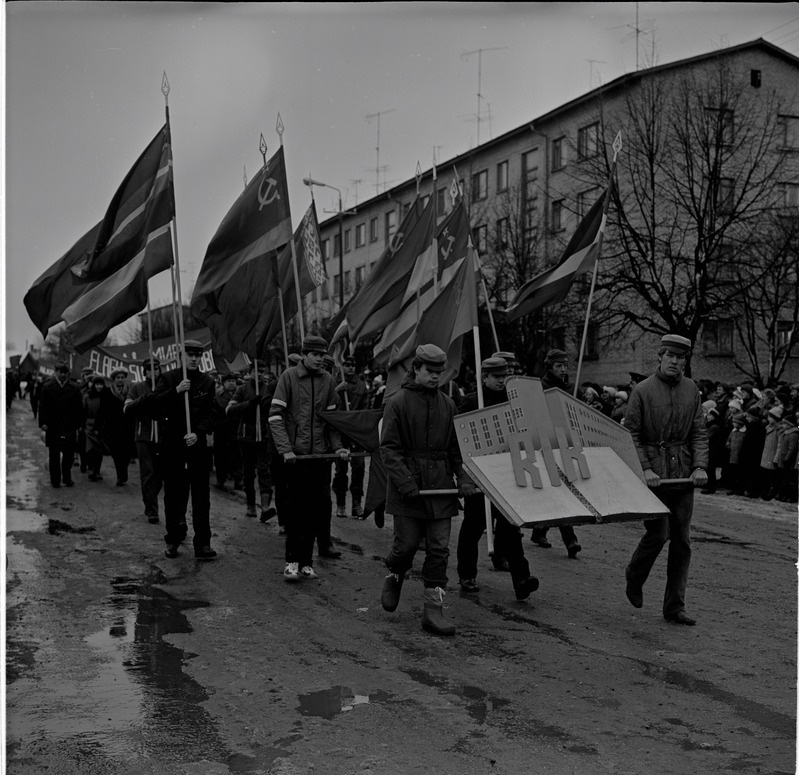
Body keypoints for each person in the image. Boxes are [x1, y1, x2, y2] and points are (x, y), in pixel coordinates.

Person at [379, 344, 477, 636]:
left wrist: (464, 478)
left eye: (439, 372)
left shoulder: (448, 404)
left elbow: (455, 450)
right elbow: (389, 449)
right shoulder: (397, 402)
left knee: (438, 549)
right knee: (407, 545)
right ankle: (395, 573)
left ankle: (433, 609)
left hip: (440, 488)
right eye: (430, 372)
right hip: (407, 487)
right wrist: (406, 483)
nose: (436, 377)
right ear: (416, 370)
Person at [624, 334, 708, 626]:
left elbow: (699, 432)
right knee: (659, 534)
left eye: (681, 357)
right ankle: (634, 575)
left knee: (682, 541)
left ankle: (675, 607)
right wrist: (645, 469)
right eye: (670, 356)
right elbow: (631, 434)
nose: (675, 361)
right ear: (660, 357)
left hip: (683, 475)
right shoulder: (643, 391)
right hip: (654, 476)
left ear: (686, 360)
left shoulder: (691, 390)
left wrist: (699, 466)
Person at [455, 357, 539, 600]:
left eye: (504, 376)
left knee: (511, 527)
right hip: (479, 475)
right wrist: (464, 475)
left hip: (507, 473)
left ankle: (521, 579)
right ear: (484, 377)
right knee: (473, 526)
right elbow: (459, 439)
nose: (502, 380)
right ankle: (467, 574)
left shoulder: (514, 402)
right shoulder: (471, 402)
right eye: (497, 377)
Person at [269, 335, 349, 582]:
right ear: (303, 354)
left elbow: (332, 423)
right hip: (296, 459)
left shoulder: (328, 381)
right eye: (314, 354)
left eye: (321, 355)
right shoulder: (289, 377)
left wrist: (338, 449)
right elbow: (275, 417)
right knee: (296, 512)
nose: (318, 358)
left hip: (320, 458)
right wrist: (286, 449)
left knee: (316, 511)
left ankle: (306, 563)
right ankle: (291, 561)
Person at [147, 339, 217, 560]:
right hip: (172, 447)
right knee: (174, 497)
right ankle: (173, 539)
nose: (194, 358)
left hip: (197, 447)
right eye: (190, 355)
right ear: (181, 356)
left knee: (201, 498)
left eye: (198, 355)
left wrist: (199, 431)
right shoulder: (168, 378)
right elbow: (154, 404)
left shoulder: (207, 382)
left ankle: (203, 543)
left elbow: (212, 412)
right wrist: (176, 391)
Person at [531, 349, 582, 558]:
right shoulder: (540, 388)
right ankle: (570, 540)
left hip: (564, 443)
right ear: (549, 367)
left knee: (559, 489)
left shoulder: (569, 388)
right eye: (559, 366)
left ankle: (539, 530)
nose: (563, 369)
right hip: (545, 444)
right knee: (561, 489)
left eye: (565, 365)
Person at [227, 361, 275, 521]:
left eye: (262, 371)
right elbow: (230, 409)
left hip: (264, 435)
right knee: (248, 472)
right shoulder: (242, 389)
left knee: (264, 470)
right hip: (246, 436)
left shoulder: (268, 389)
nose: (260, 374)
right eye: (256, 370)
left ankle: (266, 507)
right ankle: (251, 505)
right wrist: (249, 403)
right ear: (251, 372)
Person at [124, 358, 164, 524]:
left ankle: (150, 498)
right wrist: (145, 398)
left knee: (160, 474)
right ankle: (152, 510)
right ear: (144, 372)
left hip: (162, 436)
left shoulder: (165, 385)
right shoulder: (137, 387)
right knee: (147, 473)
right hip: (144, 436)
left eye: (155, 369)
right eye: (149, 369)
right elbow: (127, 408)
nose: (152, 372)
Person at [333, 355, 369, 518]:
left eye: (353, 365)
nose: (350, 368)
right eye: (346, 364)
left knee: (359, 467)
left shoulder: (361, 386)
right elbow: (328, 405)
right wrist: (338, 390)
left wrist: (358, 425)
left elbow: (365, 409)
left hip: (355, 432)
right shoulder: (334, 383)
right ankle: (340, 503)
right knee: (341, 469)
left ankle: (356, 504)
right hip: (340, 432)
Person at [38, 360, 83, 488]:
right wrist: (43, 423)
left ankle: (67, 477)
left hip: (69, 425)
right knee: (54, 454)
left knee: (69, 454)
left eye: (65, 372)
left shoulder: (74, 388)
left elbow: (79, 408)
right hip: (53, 425)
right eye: (60, 372)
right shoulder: (47, 387)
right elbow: (42, 406)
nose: (63, 375)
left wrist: (79, 424)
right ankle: (55, 480)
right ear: (56, 372)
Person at [213, 372, 244, 492]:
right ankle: (221, 479)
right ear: (223, 383)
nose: (231, 383)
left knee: (237, 456)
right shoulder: (218, 395)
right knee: (221, 457)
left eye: (233, 381)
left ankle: (238, 479)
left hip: (236, 430)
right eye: (228, 381)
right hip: (222, 431)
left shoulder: (240, 394)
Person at [105, 368, 133, 486]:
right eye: (118, 378)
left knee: (126, 453)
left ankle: (124, 472)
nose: (120, 380)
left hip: (127, 427)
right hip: (114, 428)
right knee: (116, 454)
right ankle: (120, 476)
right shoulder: (108, 392)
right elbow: (104, 410)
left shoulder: (130, 391)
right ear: (114, 379)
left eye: (122, 377)